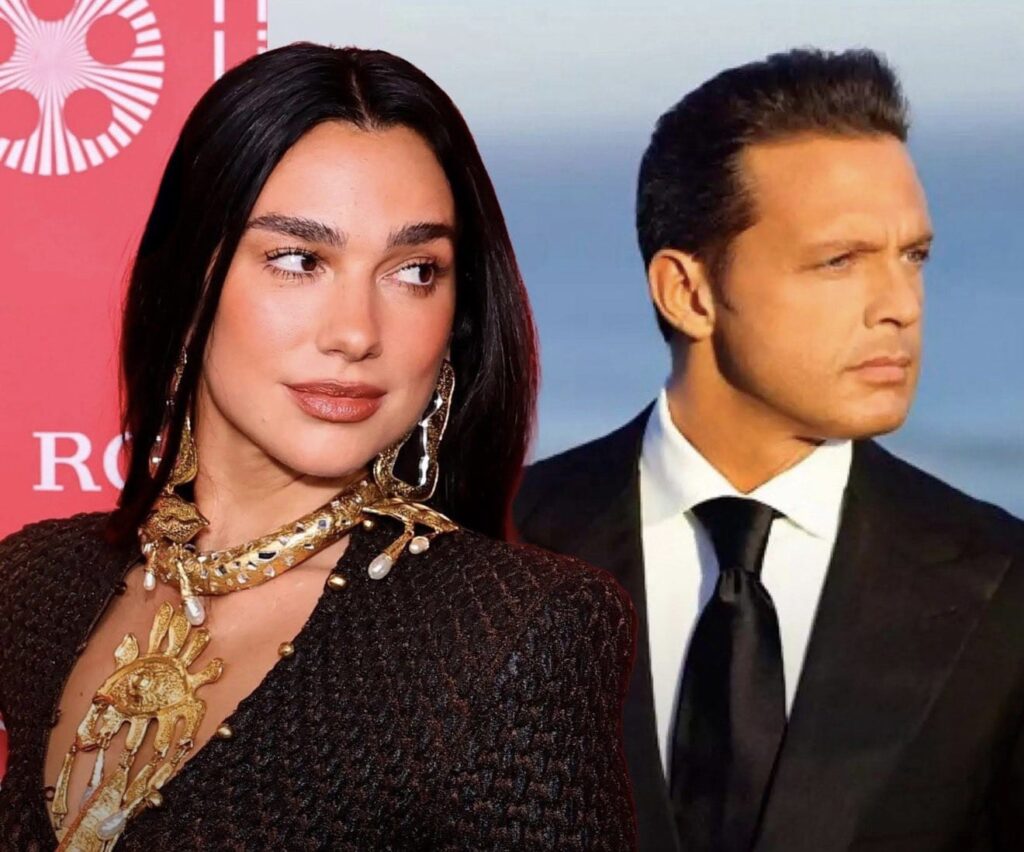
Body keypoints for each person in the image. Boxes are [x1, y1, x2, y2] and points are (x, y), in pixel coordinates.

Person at [0, 43, 637, 851]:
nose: (356, 333)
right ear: (190, 285)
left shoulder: (511, 632)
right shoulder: (35, 583)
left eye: (415, 271)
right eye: (299, 260)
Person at [515, 48, 1024, 852]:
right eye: (840, 261)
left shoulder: (1004, 586)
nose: (900, 305)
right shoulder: (498, 547)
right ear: (689, 292)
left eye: (913, 256)